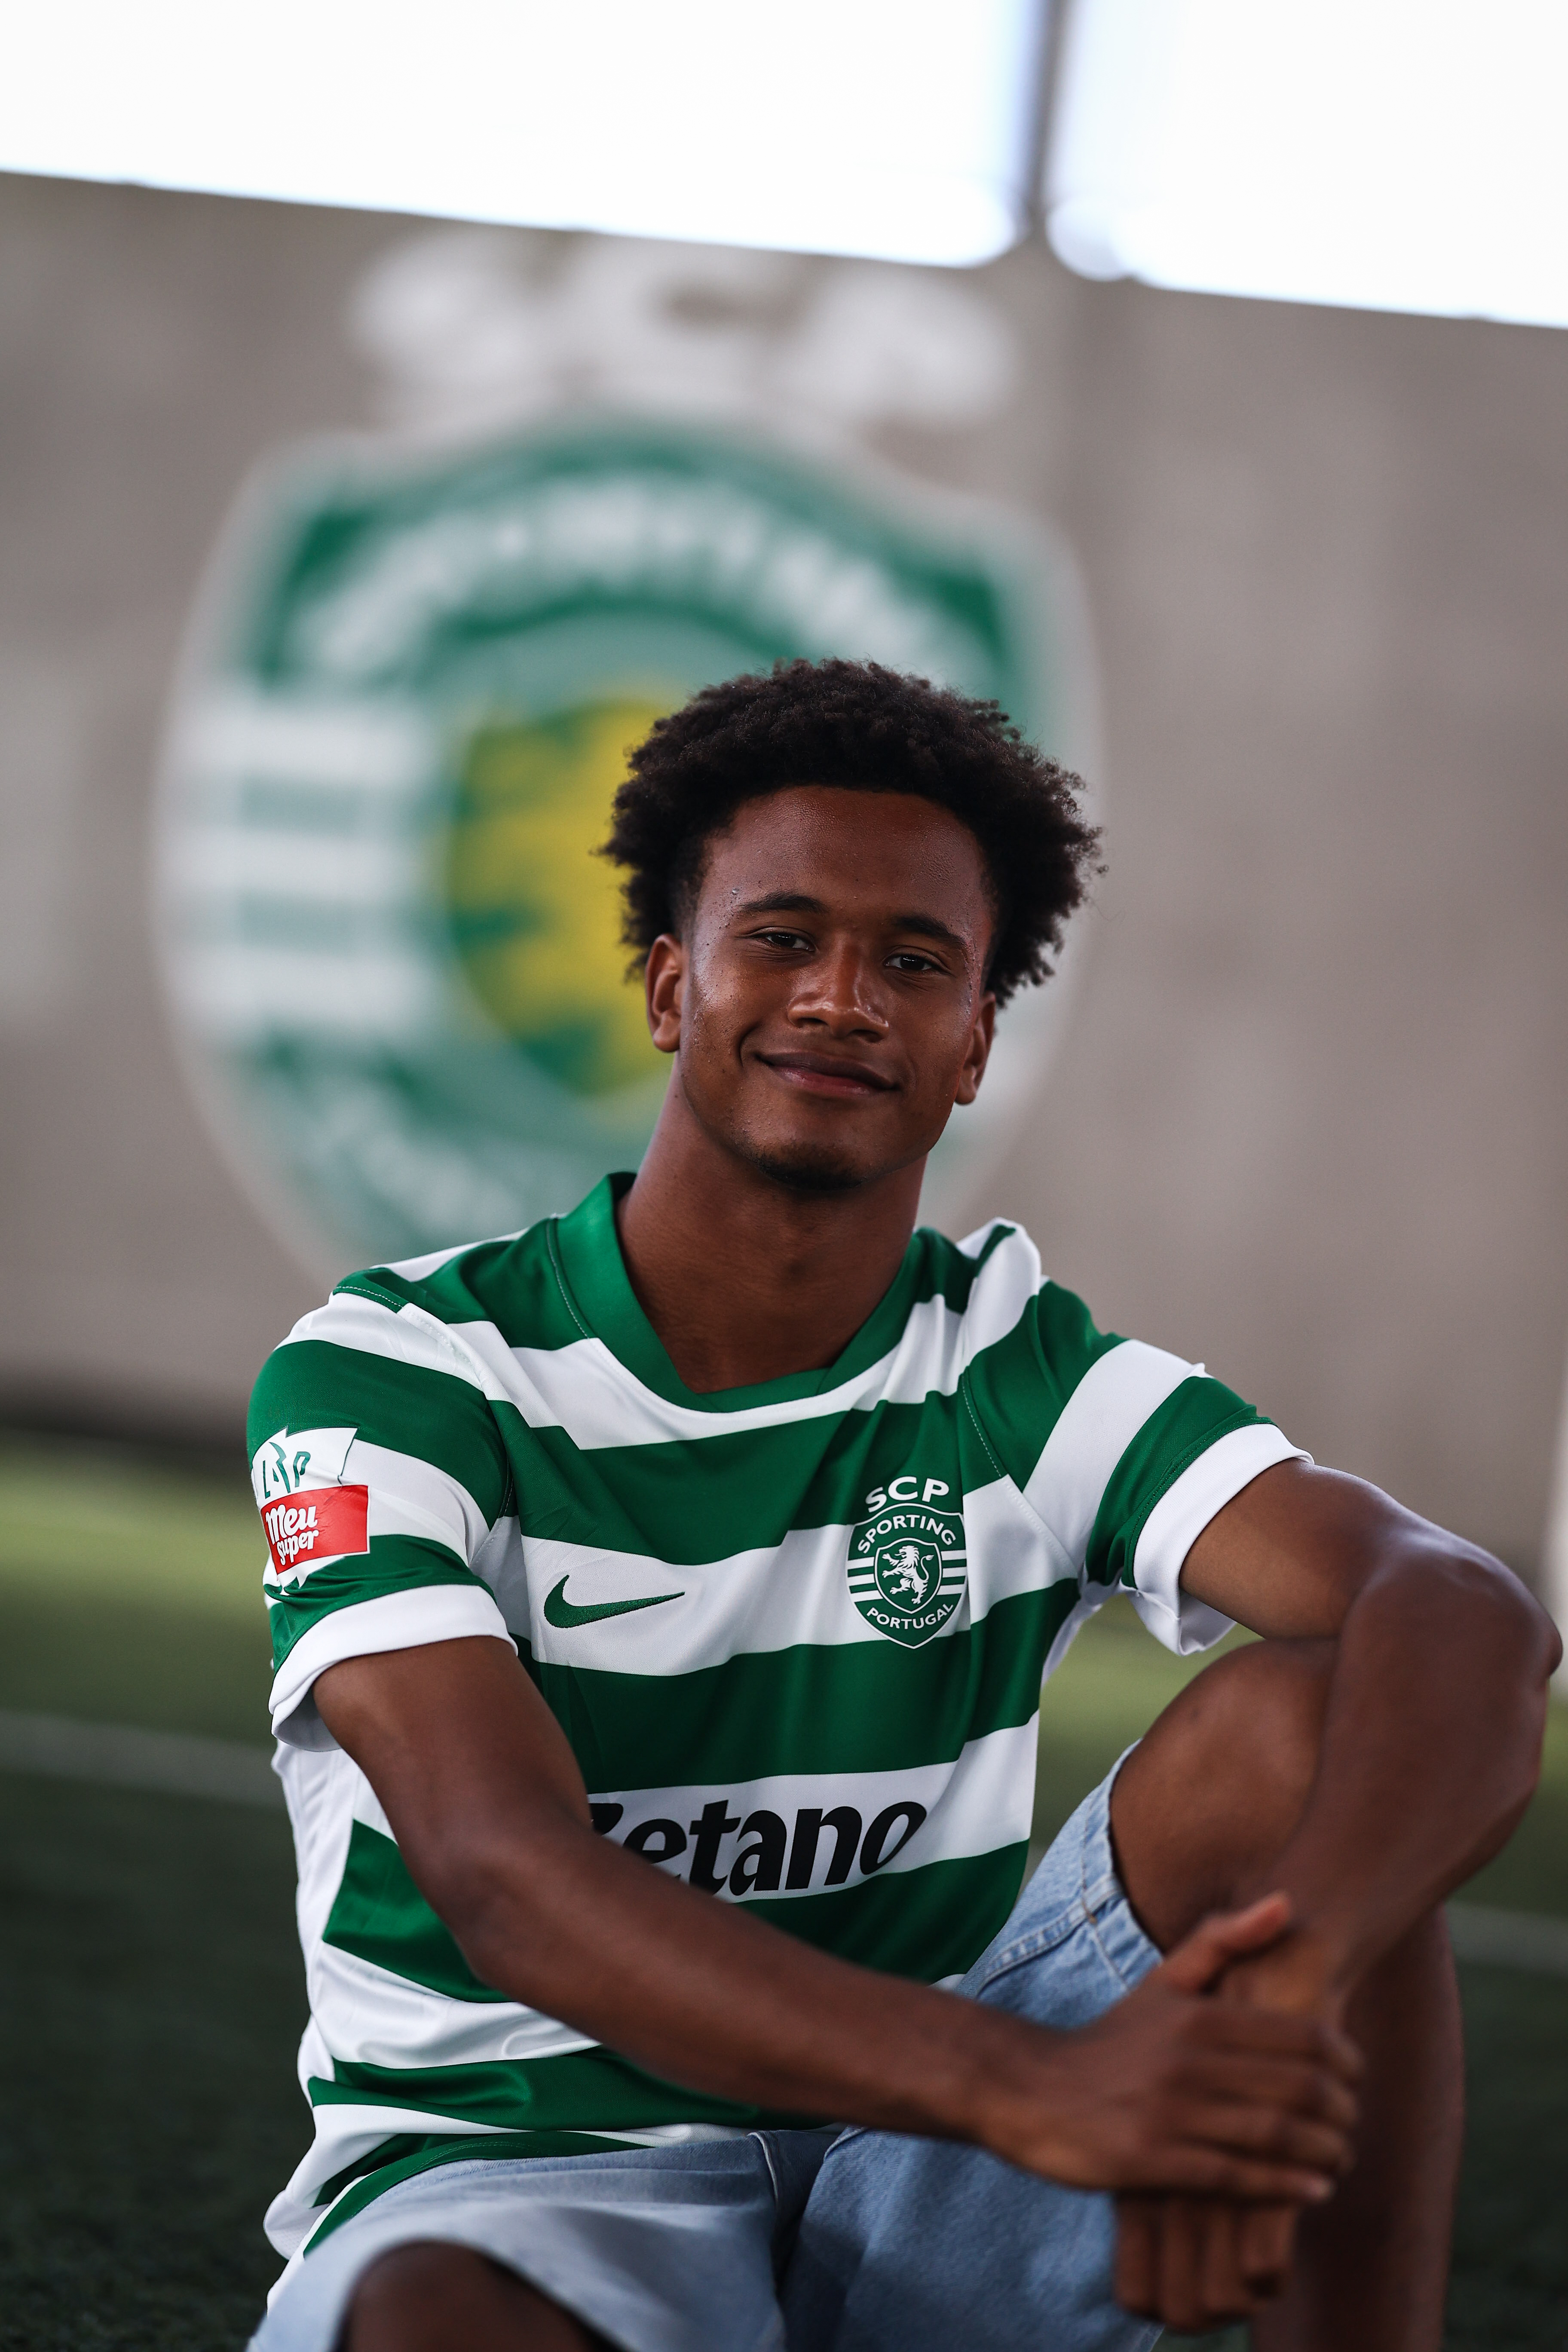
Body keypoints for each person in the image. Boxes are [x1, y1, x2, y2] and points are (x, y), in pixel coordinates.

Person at [246, 660, 1557, 2352]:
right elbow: (503, 1876)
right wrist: (1034, 2085)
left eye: (917, 962)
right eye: (783, 937)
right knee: (435, 2323)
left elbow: (1462, 1615)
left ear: (975, 1043)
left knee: (1320, 1728)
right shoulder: (401, 1372)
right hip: (546, 2175)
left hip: (926, 2175)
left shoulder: (1014, 1368)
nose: (845, 998)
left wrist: (1290, 1994)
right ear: (671, 985)